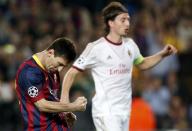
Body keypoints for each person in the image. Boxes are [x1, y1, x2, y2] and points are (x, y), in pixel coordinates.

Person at [60, 2, 177, 131]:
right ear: (111, 23)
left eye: (128, 19)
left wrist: (162, 54)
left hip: (124, 110)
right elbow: (71, 73)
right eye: (123, 20)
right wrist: (65, 100)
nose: (127, 23)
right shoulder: (95, 48)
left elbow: (143, 64)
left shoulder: (130, 45)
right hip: (106, 111)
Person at [15, 37, 87, 131]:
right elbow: (42, 105)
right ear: (50, 53)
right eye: (59, 64)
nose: (59, 69)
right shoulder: (29, 72)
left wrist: (64, 113)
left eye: (63, 66)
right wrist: (73, 106)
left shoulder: (52, 69)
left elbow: (52, 98)